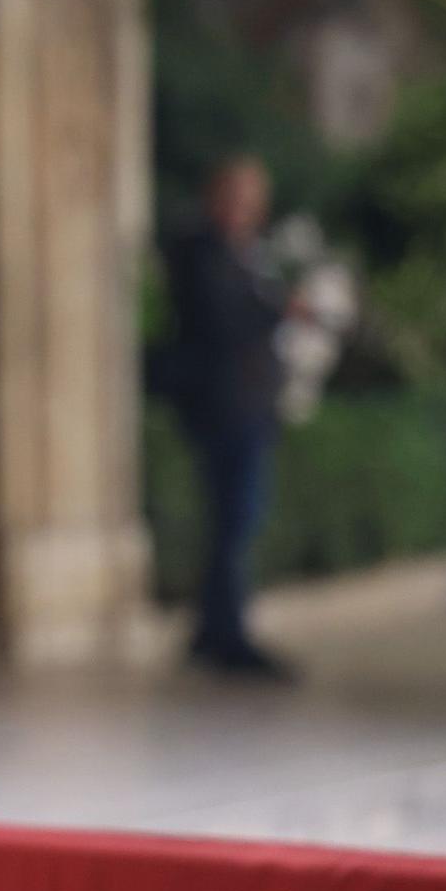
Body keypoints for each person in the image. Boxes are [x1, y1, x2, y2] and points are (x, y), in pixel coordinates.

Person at [164, 154, 296, 679]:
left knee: (238, 519)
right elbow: (220, 318)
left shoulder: (250, 253)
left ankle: (211, 629)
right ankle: (227, 636)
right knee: (233, 520)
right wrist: (280, 307)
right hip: (223, 408)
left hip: (251, 406)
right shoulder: (200, 250)